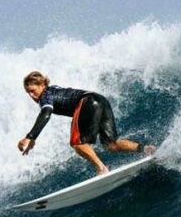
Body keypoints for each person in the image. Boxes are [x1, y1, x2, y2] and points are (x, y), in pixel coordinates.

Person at [17, 71, 155, 175]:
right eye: (28, 93)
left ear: (42, 85)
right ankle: (147, 149)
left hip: (87, 102)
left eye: (33, 91)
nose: (31, 95)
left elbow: (45, 114)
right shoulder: (53, 89)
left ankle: (101, 168)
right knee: (111, 144)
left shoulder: (45, 96)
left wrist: (30, 137)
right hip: (100, 99)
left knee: (77, 143)